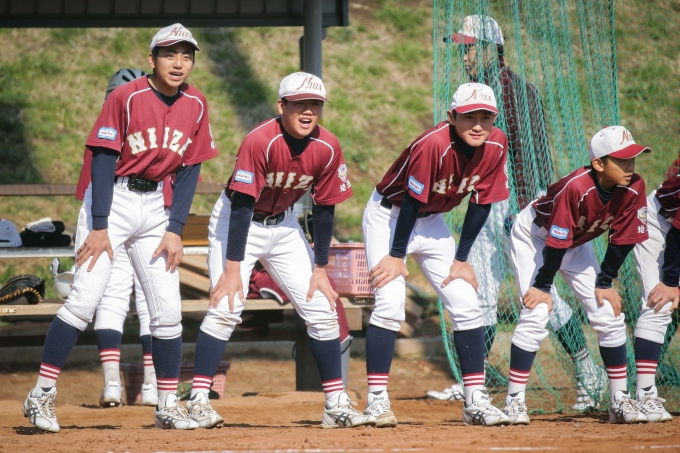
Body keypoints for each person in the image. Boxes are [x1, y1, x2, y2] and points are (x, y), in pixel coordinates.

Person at [22, 24, 218, 432]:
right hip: (113, 200)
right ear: (152, 59)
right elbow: (103, 157)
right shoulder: (126, 96)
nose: (178, 63)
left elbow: (190, 169)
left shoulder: (196, 103)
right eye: (169, 54)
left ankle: (167, 404)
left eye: (186, 55)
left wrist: (176, 228)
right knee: (83, 301)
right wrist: (99, 226)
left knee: (167, 312)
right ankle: (40, 394)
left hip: (156, 207)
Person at [427, 15, 607, 411]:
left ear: (492, 49)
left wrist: (523, 208)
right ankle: (472, 379)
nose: (464, 56)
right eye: (462, 49)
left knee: (540, 293)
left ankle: (586, 371)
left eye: (469, 47)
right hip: (490, 205)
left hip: (518, 205)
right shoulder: (480, 92)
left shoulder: (513, 91)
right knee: (481, 293)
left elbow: (532, 156)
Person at [183, 72, 376, 429]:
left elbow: (325, 208)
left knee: (322, 308)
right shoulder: (261, 140)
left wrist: (320, 268)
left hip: (284, 226)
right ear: (281, 105)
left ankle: (335, 404)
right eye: (299, 104)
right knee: (226, 306)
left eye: (315, 104)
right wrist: (232, 269)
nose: (308, 111)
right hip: (237, 222)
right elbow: (242, 207)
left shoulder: (328, 146)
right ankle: (197, 400)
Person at [364, 82, 511, 427]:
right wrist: (396, 255)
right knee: (389, 303)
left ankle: (474, 401)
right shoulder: (433, 144)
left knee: (466, 303)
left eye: (485, 117)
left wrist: (461, 259)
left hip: (433, 222)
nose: (478, 124)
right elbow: (411, 201)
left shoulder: (497, 143)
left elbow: (481, 202)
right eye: (469, 116)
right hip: (391, 217)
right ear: (451, 116)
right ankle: (376, 401)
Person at [501, 126, 650, 425]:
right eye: (621, 160)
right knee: (537, 311)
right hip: (535, 237)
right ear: (598, 164)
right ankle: (514, 402)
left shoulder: (635, 187)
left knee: (608, 312)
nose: (630, 166)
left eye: (632, 158)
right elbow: (556, 242)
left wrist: (605, 282)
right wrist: (543, 285)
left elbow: (624, 239)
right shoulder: (576, 188)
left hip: (577, 242)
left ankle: (619, 400)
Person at [73, 68, 160, 408]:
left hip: (120, 220)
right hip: (121, 222)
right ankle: (137, 386)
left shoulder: (104, 133)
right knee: (132, 299)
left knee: (131, 299)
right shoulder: (153, 132)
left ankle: (122, 385)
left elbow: (87, 189)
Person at [630, 174, 680, 422]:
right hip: (658, 222)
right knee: (659, 303)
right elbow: (677, 235)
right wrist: (671, 283)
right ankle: (645, 394)